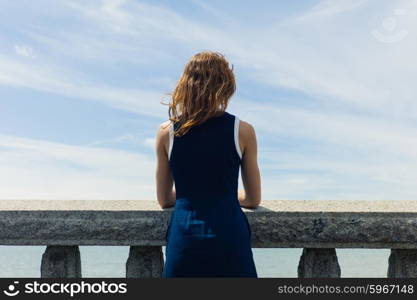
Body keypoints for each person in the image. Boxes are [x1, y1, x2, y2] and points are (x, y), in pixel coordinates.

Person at [155, 51, 261, 277]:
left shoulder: (166, 132)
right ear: (225, 85)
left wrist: (190, 194)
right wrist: (226, 194)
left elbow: (164, 200)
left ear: (185, 84)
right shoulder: (242, 131)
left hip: (185, 240)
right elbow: (253, 199)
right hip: (230, 239)